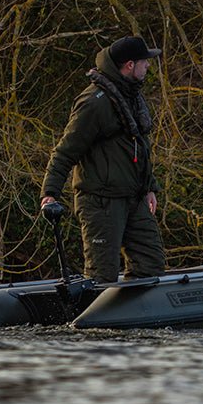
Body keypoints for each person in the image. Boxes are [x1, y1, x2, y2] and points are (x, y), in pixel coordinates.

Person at [40, 35, 165, 283]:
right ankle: (93, 319)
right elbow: (65, 150)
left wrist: (150, 187)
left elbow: (140, 147)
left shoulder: (132, 96)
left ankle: (139, 318)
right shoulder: (93, 103)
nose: (148, 66)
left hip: (134, 197)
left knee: (151, 265)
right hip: (101, 202)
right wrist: (50, 192)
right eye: (144, 62)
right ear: (129, 65)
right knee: (102, 274)